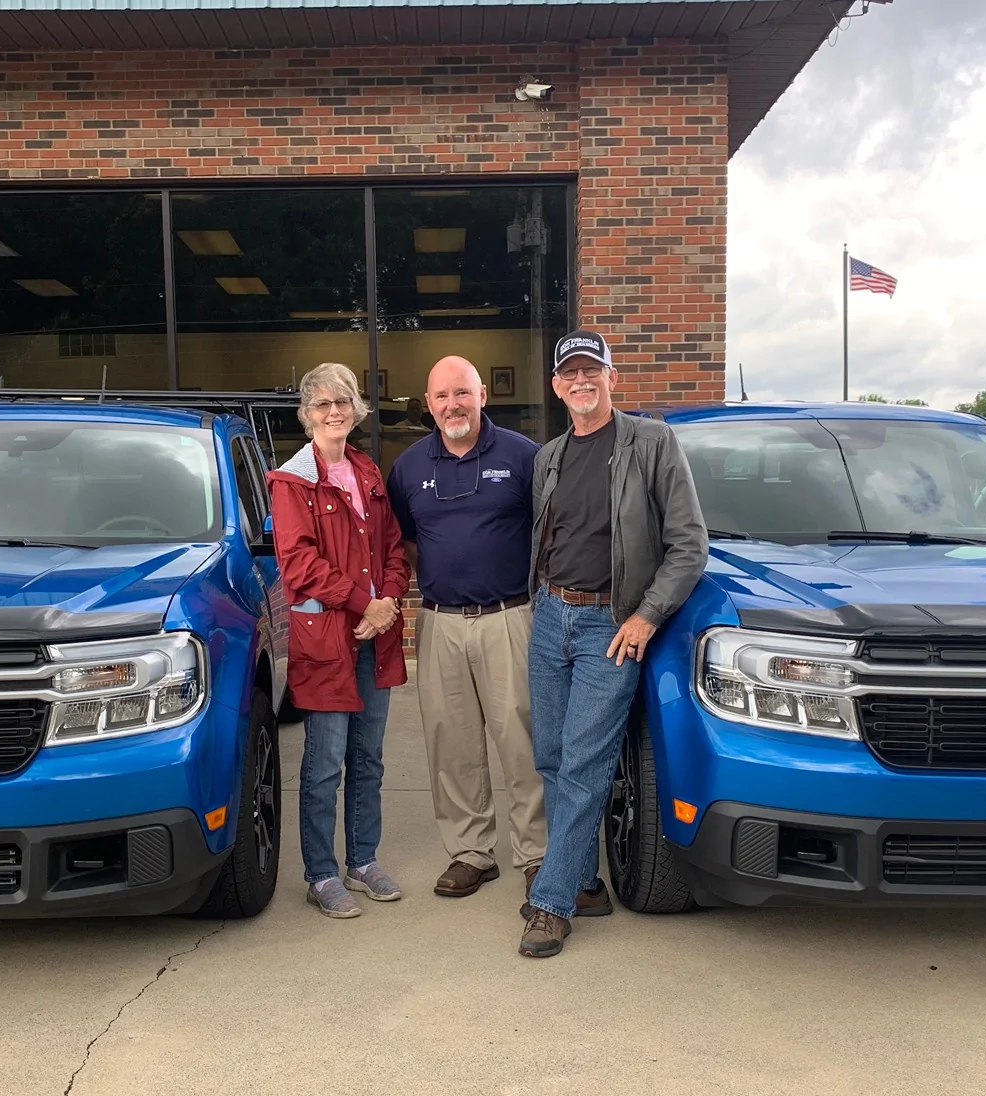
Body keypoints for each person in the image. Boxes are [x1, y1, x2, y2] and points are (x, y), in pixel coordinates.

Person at [520, 330, 709, 958]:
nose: (581, 382)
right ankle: (586, 883)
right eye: (570, 373)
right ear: (555, 385)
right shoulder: (549, 456)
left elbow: (689, 546)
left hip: (611, 625)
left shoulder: (651, 442)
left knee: (582, 762)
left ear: (611, 376)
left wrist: (646, 616)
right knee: (550, 755)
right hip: (551, 615)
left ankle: (550, 904)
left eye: (590, 371)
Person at [387, 356, 548, 901]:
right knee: (450, 743)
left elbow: (551, 532)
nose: (452, 405)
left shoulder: (524, 457)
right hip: (439, 622)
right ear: (427, 404)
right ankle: (471, 852)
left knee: (521, 740)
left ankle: (537, 854)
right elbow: (406, 542)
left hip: (510, 618)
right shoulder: (409, 466)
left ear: (483, 394)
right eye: (440, 397)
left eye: (462, 393)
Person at [267, 362, 413, 918]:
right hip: (328, 639)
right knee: (324, 763)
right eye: (323, 404)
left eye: (343, 402)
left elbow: (395, 547)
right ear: (307, 415)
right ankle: (321, 874)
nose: (335, 412)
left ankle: (363, 860)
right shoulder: (291, 481)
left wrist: (389, 603)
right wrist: (364, 603)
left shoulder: (367, 471)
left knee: (367, 759)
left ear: (356, 409)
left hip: (375, 635)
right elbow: (299, 566)